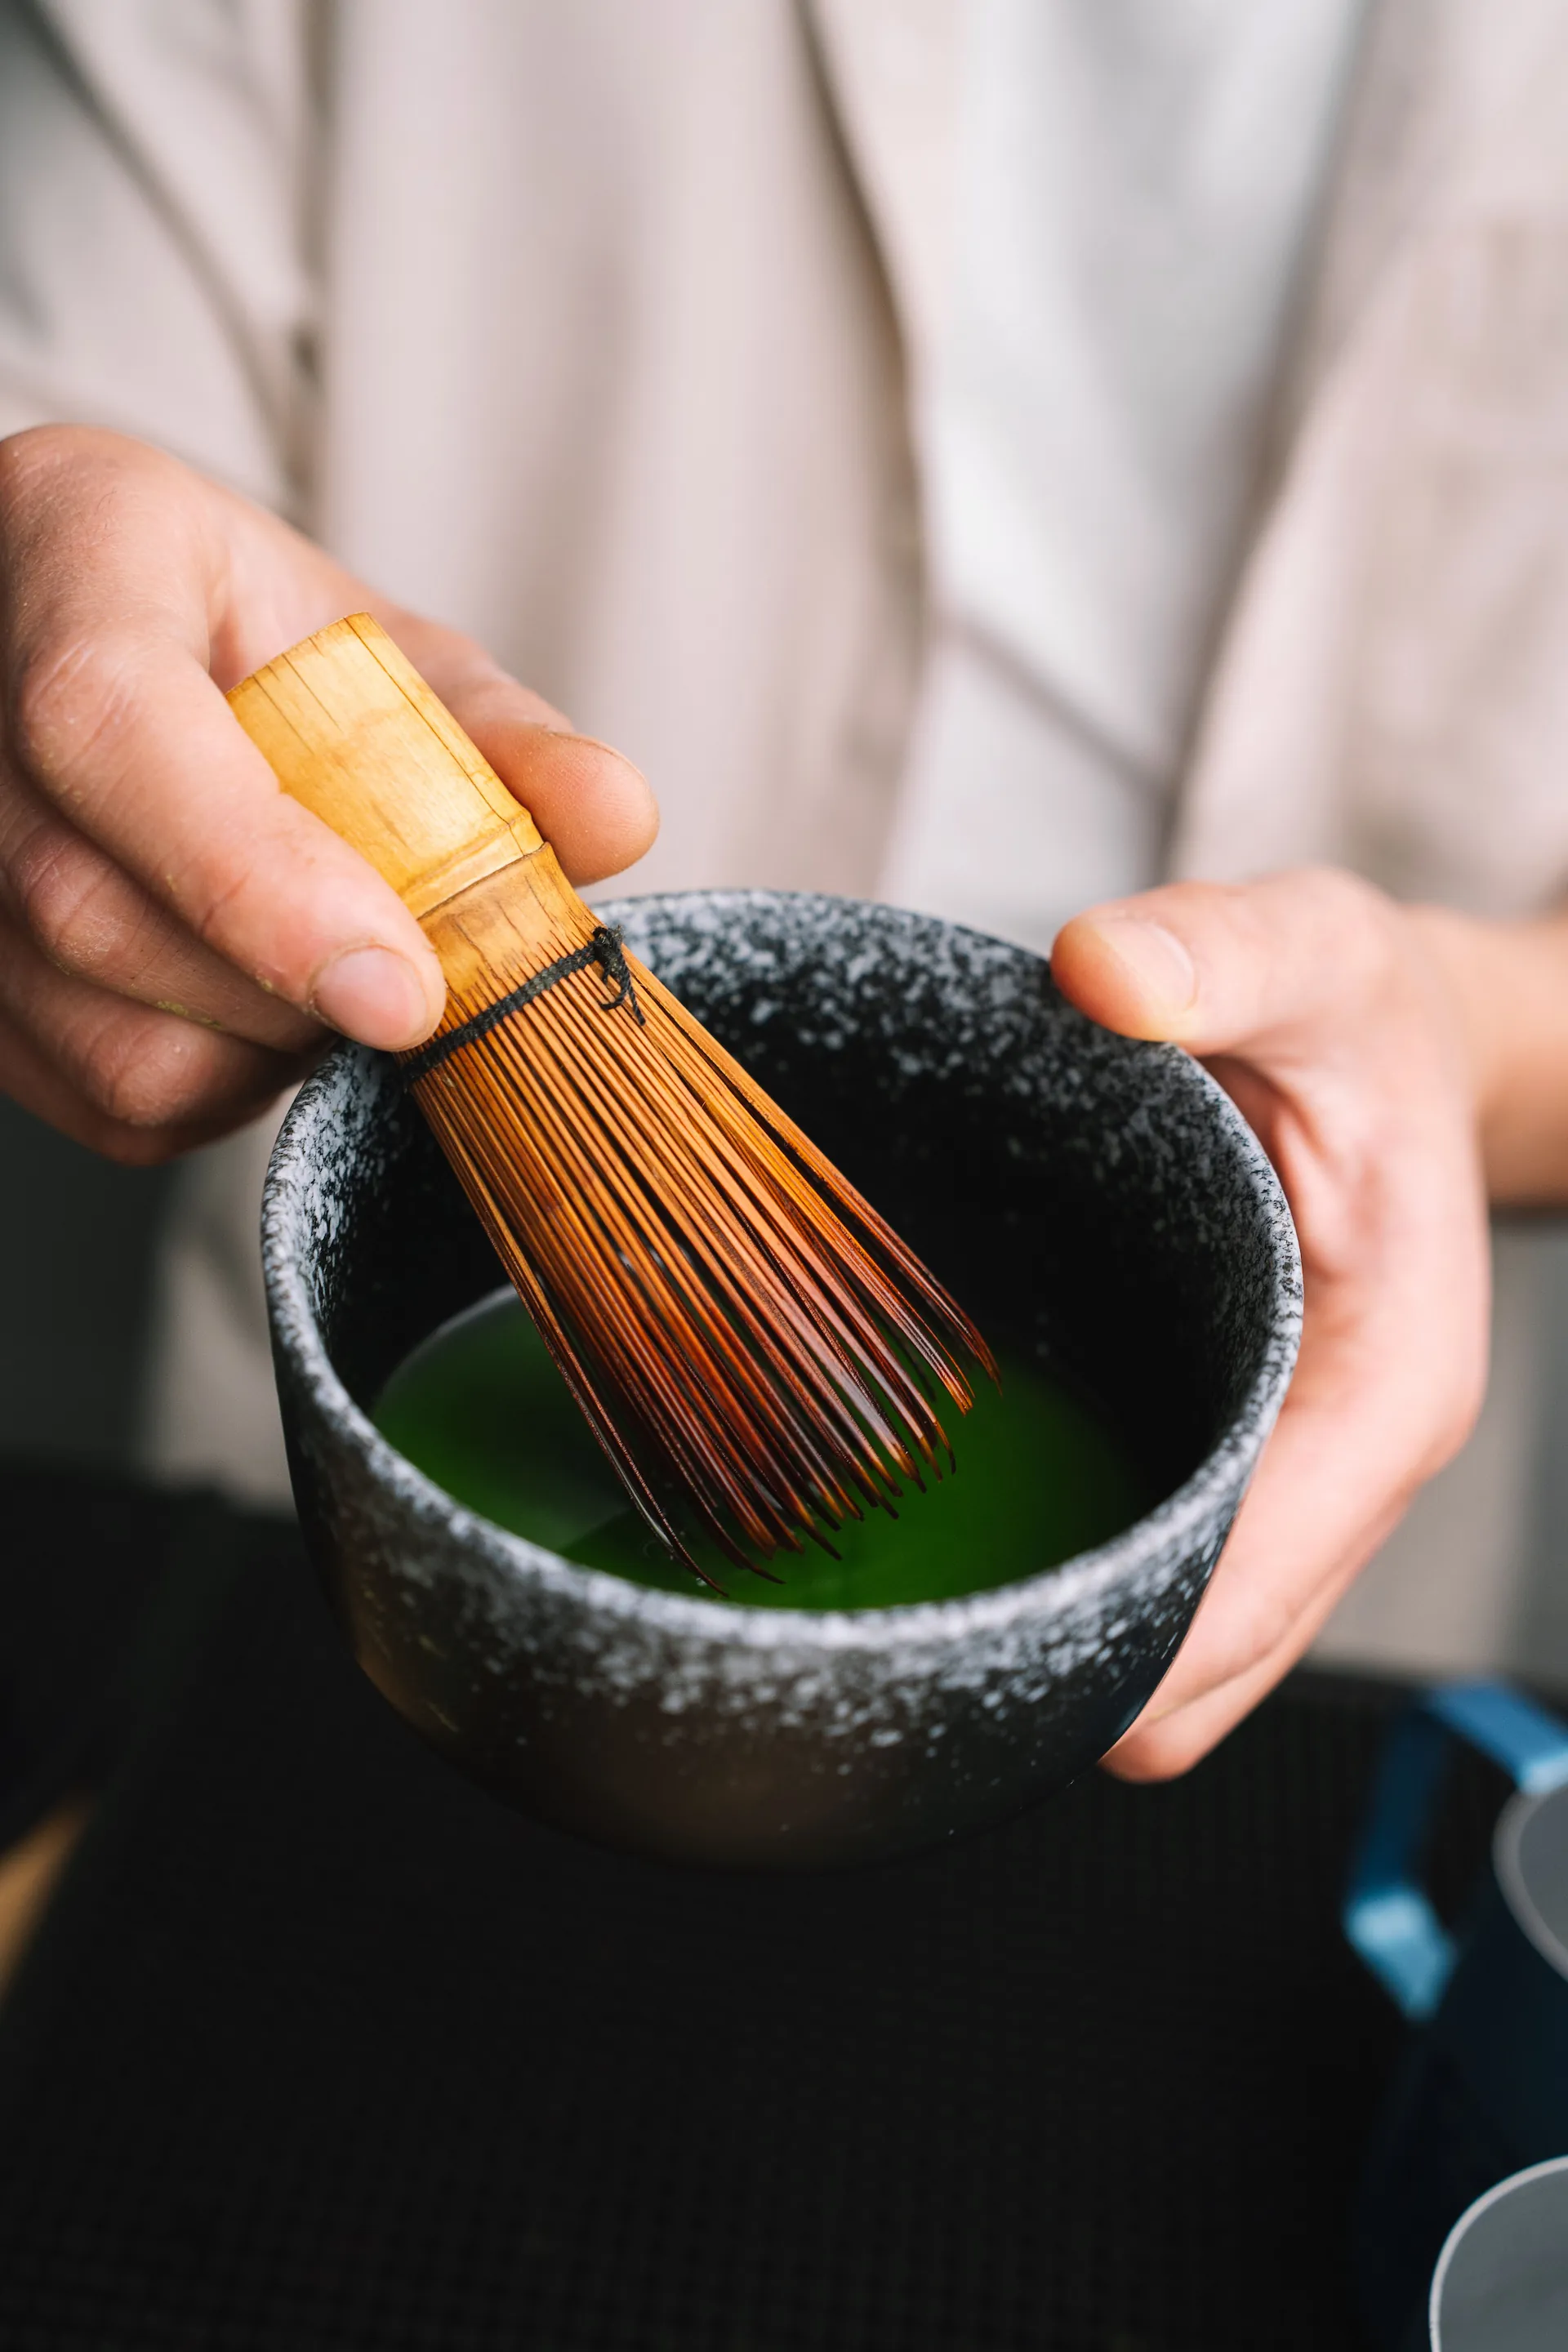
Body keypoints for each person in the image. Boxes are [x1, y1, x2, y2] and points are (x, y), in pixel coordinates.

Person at [3, 2, 1568, 1780]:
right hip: (321, 1608)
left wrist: (1465, 1032)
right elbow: (62, 416)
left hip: (1292, 1614)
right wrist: (40, 587)